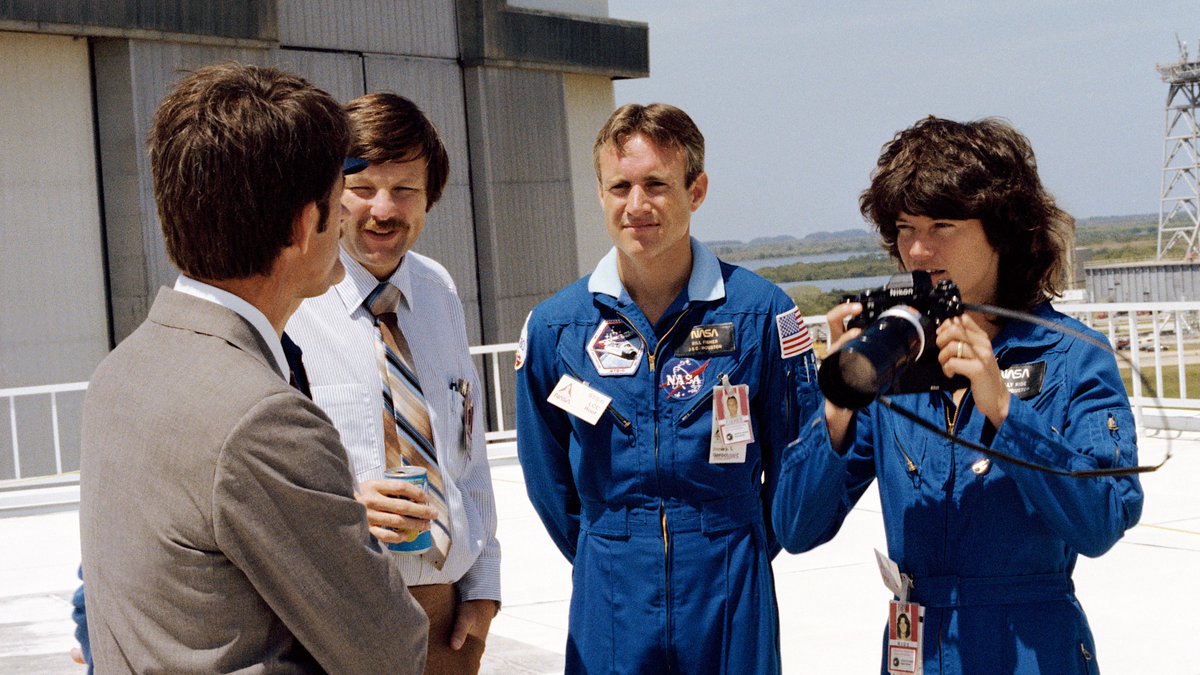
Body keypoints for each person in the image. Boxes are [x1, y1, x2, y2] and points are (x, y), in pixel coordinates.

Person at [78, 63, 429, 673]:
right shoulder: (263, 420)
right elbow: (388, 648)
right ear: (303, 224)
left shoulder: (122, 369)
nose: (348, 218)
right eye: (335, 200)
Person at [773, 116, 1144, 673]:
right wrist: (836, 409)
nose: (918, 249)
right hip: (918, 646)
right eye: (904, 227)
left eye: (943, 224)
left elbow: (1101, 524)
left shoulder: (1072, 355)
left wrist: (1005, 411)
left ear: (1003, 231)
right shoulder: (891, 360)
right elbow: (797, 530)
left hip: (1031, 645)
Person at [515, 103, 819, 674]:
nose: (637, 205)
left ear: (696, 191)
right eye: (620, 186)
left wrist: (738, 543)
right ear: (600, 194)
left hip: (729, 576)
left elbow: (794, 461)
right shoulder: (557, 328)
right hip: (609, 585)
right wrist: (611, 546)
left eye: (656, 184)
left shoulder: (761, 314)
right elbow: (547, 480)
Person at [287, 92, 500, 674]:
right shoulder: (289, 302)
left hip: (446, 621)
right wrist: (351, 507)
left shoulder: (438, 291)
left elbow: (468, 452)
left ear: (429, 198)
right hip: (339, 616)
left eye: (404, 189)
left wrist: (484, 587)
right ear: (330, 195)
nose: (384, 209)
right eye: (362, 189)